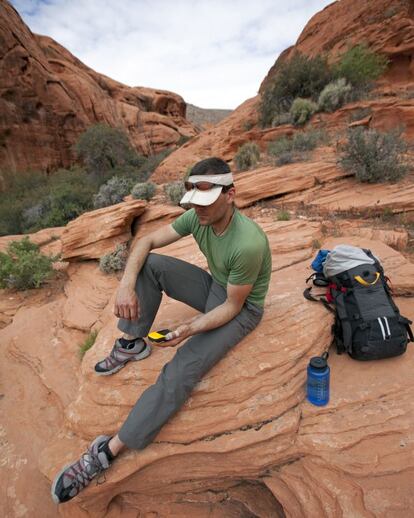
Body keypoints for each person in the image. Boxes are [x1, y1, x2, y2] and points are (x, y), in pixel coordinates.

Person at [51, 157, 272, 504]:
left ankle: (107, 451)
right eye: (193, 202)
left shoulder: (248, 243)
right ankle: (132, 344)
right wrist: (125, 284)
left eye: (205, 201)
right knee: (149, 264)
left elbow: (232, 307)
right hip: (217, 286)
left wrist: (189, 328)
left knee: (181, 370)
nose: (196, 210)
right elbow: (145, 243)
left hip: (240, 308)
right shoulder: (198, 217)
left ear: (230, 194)